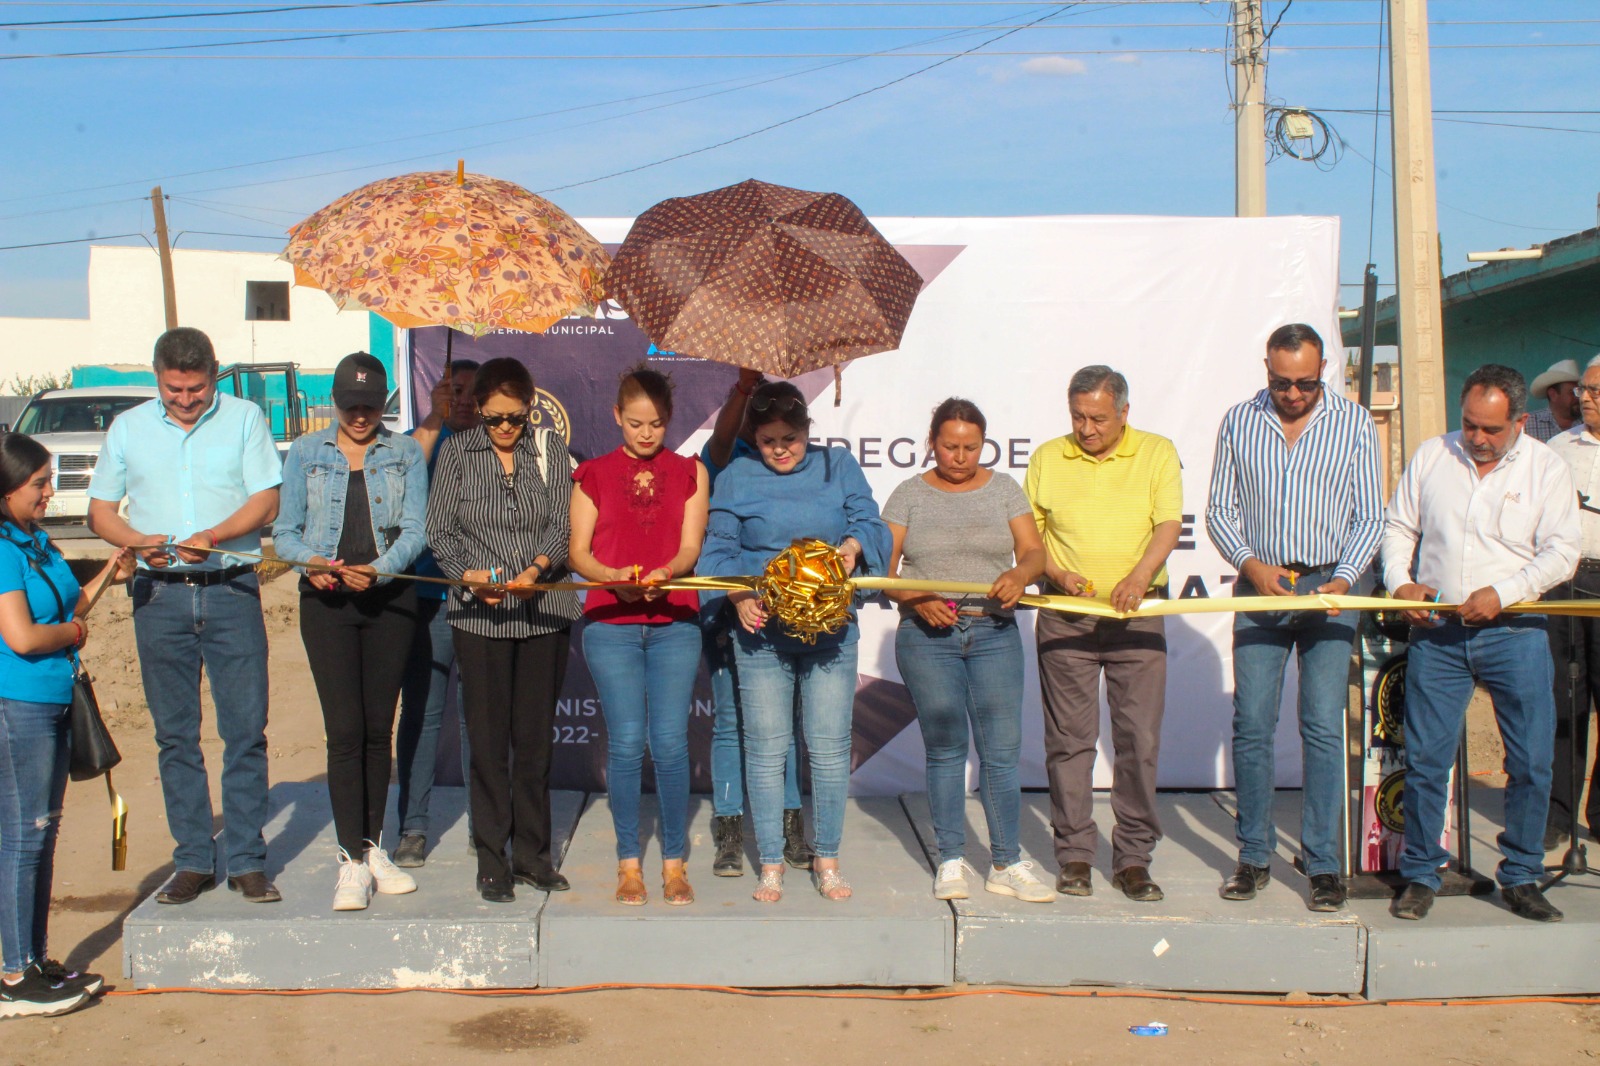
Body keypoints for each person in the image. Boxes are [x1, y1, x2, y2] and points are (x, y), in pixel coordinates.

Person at [87, 326, 284, 905]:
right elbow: (101, 512)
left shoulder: (245, 418)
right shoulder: (129, 428)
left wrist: (216, 535)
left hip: (231, 590)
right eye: (174, 390)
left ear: (213, 375)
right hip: (159, 597)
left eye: (196, 389)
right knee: (176, 736)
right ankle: (195, 859)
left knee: (245, 732)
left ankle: (248, 859)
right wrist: (136, 538)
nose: (186, 399)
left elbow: (266, 499)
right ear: (157, 377)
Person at [1380, 364, 1580, 923]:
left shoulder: (1547, 468)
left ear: (1519, 421)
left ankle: (1520, 875)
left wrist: (1506, 592)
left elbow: (1562, 552)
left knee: (1531, 762)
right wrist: (1402, 583)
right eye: (1470, 424)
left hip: (1515, 632)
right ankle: (1421, 872)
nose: (1477, 438)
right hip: (1438, 633)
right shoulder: (1432, 456)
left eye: (1491, 429)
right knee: (1425, 761)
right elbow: (1399, 528)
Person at [1206, 323, 1385, 912]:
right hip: (1261, 583)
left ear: (1324, 368)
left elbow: (1369, 516)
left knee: (1322, 728)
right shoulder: (1239, 419)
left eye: (1306, 383)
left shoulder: (1354, 423)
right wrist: (1249, 564)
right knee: (1253, 724)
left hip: (1331, 586)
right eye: (1281, 382)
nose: (1293, 394)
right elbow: (1219, 510)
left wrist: (1344, 576)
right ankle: (1253, 856)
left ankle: (1323, 863)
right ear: (1266, 369)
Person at [699, 381, 890, 903]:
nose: (780, 450)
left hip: (831, 632)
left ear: (808, 430)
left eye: (790, 438)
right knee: (765, 751)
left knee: (828, 751)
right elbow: (714, 553)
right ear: (753, 439)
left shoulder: (838, 466)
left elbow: (871, 523)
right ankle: (770, 865)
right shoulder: (736, 476)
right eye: (767, 441)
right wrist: (739, 595)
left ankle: (827, 858)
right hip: (761, 635)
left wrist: (853, 548)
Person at [274, 353, 428, 911]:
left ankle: (373, 848)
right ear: (335, 402)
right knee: (343, 731)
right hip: (327, 603)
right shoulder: (306, 453)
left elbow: (416, 528)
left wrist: (383, 567)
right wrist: (310, 560)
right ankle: (349, 861)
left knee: (376, 730)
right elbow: (284, 533)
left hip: (390, 600)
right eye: (350, 404)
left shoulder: (405, 451)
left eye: (369, 405)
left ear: (383, 403)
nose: (360, 415)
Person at [882, 398, 1052, 903]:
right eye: (950, 446)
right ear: (931, 442)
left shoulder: (1003, 489)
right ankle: (951, 859)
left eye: (971, 447)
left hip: (994, 632)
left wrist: (1021, 573)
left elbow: (1035, 552)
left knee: (1001, 753)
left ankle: (1006, 861)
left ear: (985, 444)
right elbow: (881, 571)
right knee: (946, 749)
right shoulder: (907, 494)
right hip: (926, 637)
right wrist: (918, 596)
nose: (959, 456)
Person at [425, 357, 581, 903]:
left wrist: (536, 571)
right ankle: (491, 859)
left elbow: (565, 524)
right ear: (479, 412)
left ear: (530, 410)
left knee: (535, 743)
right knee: (488, 744)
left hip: (542, 611)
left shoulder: (549, 449)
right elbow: (439, 532)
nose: (505, 429)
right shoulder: (456, 452)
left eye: (514, 418)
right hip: (479, 614)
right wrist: (470, 578)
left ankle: (533, 855)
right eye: (494, 419)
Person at [1025, 365, 1181, 902]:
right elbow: (1031, 537)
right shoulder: (1048, 456)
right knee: (1069, 742)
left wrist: (1139, 577)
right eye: (1077, 417)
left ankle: (1134, 858)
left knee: (1139, 739)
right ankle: (1073, 854)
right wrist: (1056, 572)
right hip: (1066, 616)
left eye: (1097, 418)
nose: (1086, 428)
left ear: (1124, 413)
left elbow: (1168, 524)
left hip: (1137, 616)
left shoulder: (1156, 452)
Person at [0, 433, 133, 1019]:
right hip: (19, 705)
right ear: (6, 488)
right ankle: (13, 972)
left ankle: (34, 958)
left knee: (44, 832)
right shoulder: (3, 549)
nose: (50, 493)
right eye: (39, 485)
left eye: (49, 480)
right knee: (23, 836)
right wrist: (75, 637)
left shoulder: (34, 540)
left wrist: (111, 573)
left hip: (53, 699)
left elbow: (69, 605)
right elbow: (24, 636)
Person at [569, 365, 709, 906]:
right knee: (626, 744)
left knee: (672, 744)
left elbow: (691, 546)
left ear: (669, 419)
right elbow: (579, 552)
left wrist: (667, 573)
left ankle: (674, 863)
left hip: (675, 620)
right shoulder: (593, 474)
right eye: (634, 423)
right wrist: (609, 577)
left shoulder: (691, 471)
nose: (645, 434)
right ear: (616, 418)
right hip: (610, 622)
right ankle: (630, 864)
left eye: (654, 424)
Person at [700, 368, 809, 878]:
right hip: (727, 609)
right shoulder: (728, 460)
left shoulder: (799, 464)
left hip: (783, 618)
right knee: (730, 722)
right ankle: (728, 830)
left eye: (778, 425)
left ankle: (789, 826)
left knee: (779, 728)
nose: (769, 435)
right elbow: (722, 438)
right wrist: (743, 387)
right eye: (752, 415)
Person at [394, 357, 480, 868]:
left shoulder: (496, 444)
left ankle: (483, 824)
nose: (465, 400)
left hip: (481, 602)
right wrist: (434, 420)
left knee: (479, 720)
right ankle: (413, 826)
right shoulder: (415, 440)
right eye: (455, 389)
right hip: (426, 601)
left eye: (473, 391)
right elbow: (402, 482)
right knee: (422, 716)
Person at [1540, 353, 1600, 852]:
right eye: (1583, 389)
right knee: (1564, 701)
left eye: (1595, 391)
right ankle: (1556, 814)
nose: (1584, 397)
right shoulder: (1558, 450)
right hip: (1567, 583)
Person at [1526, 359, 1581, 443]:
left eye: (1579, 392)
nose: (1578, 397)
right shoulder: (1528, 425)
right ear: (1553, 394)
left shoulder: (1589, 424)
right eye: (1572, 392)